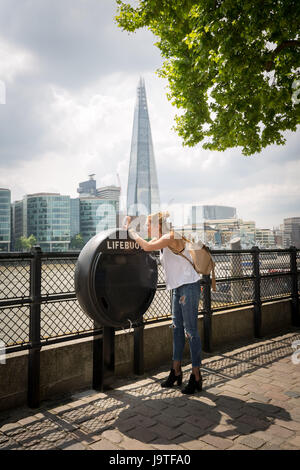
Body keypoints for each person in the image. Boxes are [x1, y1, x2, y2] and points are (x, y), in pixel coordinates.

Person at [128, 211, 203, 394]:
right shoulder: (163, 239)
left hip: (188, 286)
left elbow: (146, 246)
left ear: (157, 225)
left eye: (148, 225)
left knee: (191, 331)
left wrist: (131, 232)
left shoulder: (171, 236)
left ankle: (196, 376)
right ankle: (176, 372)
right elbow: (149, 246)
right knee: (176, 328)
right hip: (177, 288)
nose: (147, 228)